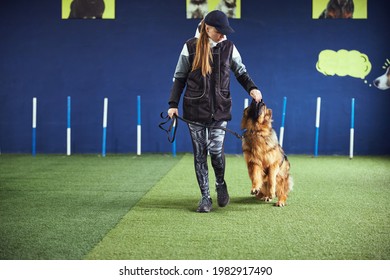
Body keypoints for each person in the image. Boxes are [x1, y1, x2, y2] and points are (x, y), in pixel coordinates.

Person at [167, 10, 263, 213]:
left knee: (216, 152)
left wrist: (253, 88)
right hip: (194, 111)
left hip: (220, 109)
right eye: (220, 31)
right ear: (208, 28)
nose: (223, 35)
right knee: (200, 154)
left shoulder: (229, 47)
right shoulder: (190, 46)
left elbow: (241, 72)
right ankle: (205, 197)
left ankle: (220, 183)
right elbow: (179, 77)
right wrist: (173, 104)